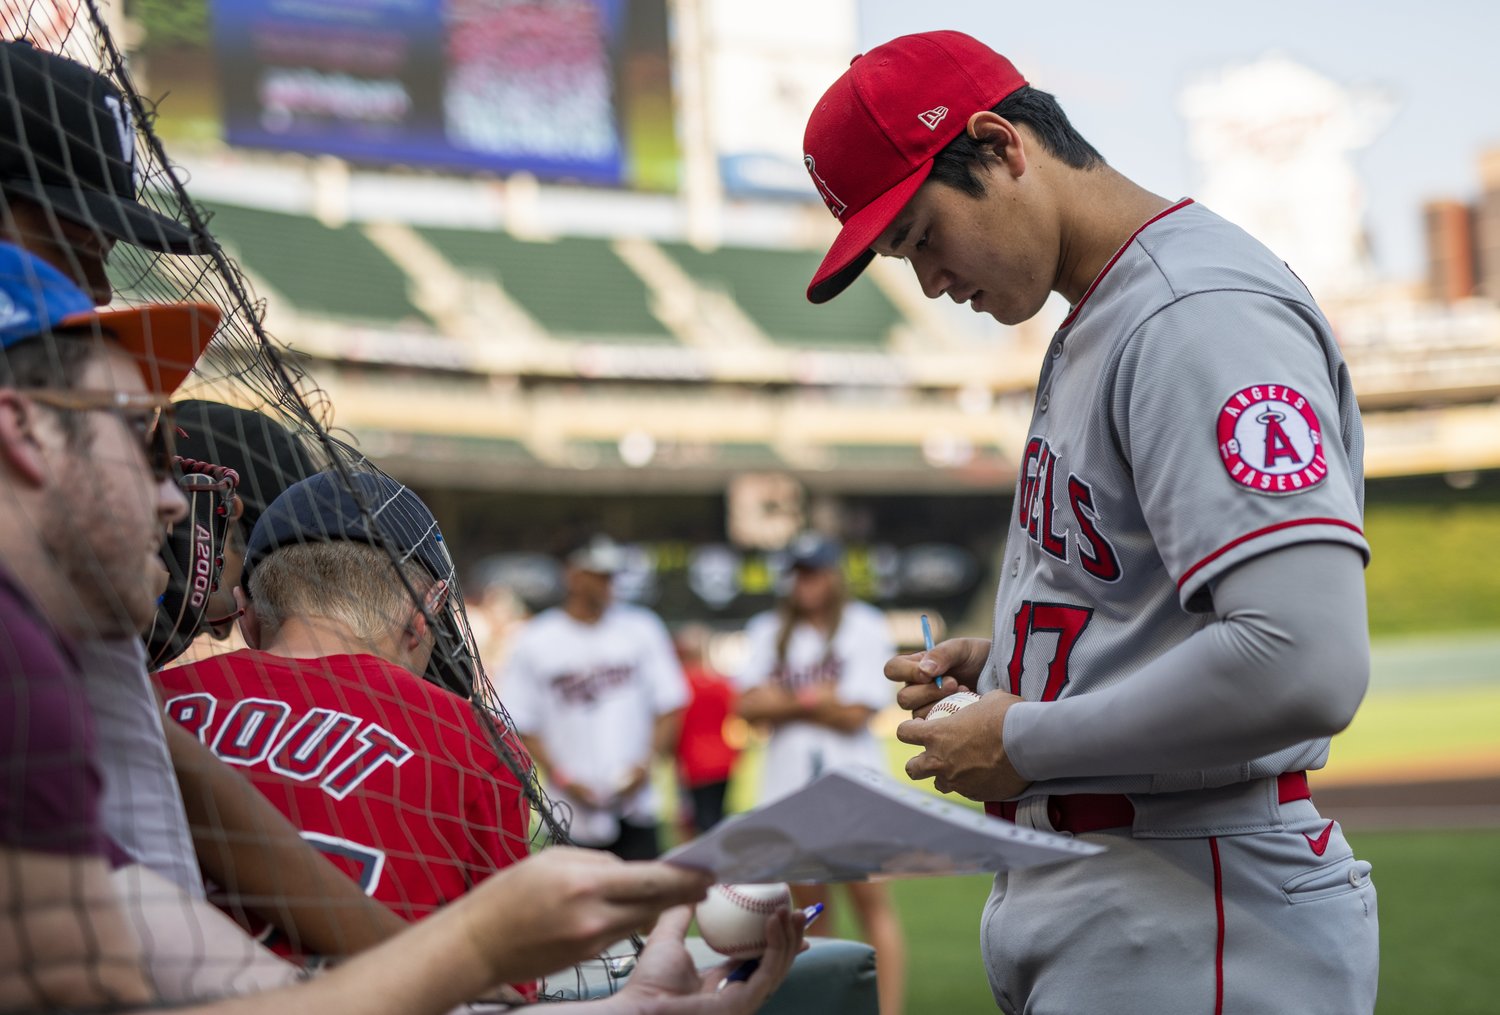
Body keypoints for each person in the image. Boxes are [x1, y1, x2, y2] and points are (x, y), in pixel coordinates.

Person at [0, 241, 805, 1013]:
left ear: (248, 613)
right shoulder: (463, 736)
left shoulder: (133, 703)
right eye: (141, 443)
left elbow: (255, 991)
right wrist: (481, 949)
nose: (175, 503)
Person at [803, 30, 1377, 1014]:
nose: (930, 281)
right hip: (1142, 892)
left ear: (1002, 146)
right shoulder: (1105, 313)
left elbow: (1301, 658)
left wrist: (1026, 733)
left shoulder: (1192, 309)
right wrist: (1022, 667)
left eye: (922, 236)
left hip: (1200, 903)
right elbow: (1151, 600)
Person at [156, 469, 533, 946]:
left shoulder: (147, 701)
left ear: (246, 616)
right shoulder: (476, 741)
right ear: (419, 624)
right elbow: (505, 972)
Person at [734, 533, 906, 1015]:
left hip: (854, 789)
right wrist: (816, 699)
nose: (806, 583)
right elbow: (749, 705)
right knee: (810, 914)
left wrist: (784, 703)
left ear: (833, 574)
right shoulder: (768, 629)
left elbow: (856, 711)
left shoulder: (863, 625)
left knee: (871, 907)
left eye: (814, 572)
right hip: (789, 789)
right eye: (799, 573)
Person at [502, 536, 689, 860]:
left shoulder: (642, 627)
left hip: (637, 804)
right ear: (573, 575)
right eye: (598, 575)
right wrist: (564, 777)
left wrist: (646, 765)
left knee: (644, 905)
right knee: (579, 909)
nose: (608, 584)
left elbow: (669, 705)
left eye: (610, 576)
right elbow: (522, 722)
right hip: (569, 808)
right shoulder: (536, 639)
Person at [671, 623, 740, 839]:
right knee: (716, 817)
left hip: (693, 764)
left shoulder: (678, 685)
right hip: (723, 760)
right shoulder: (722, 684)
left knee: (698, 823)